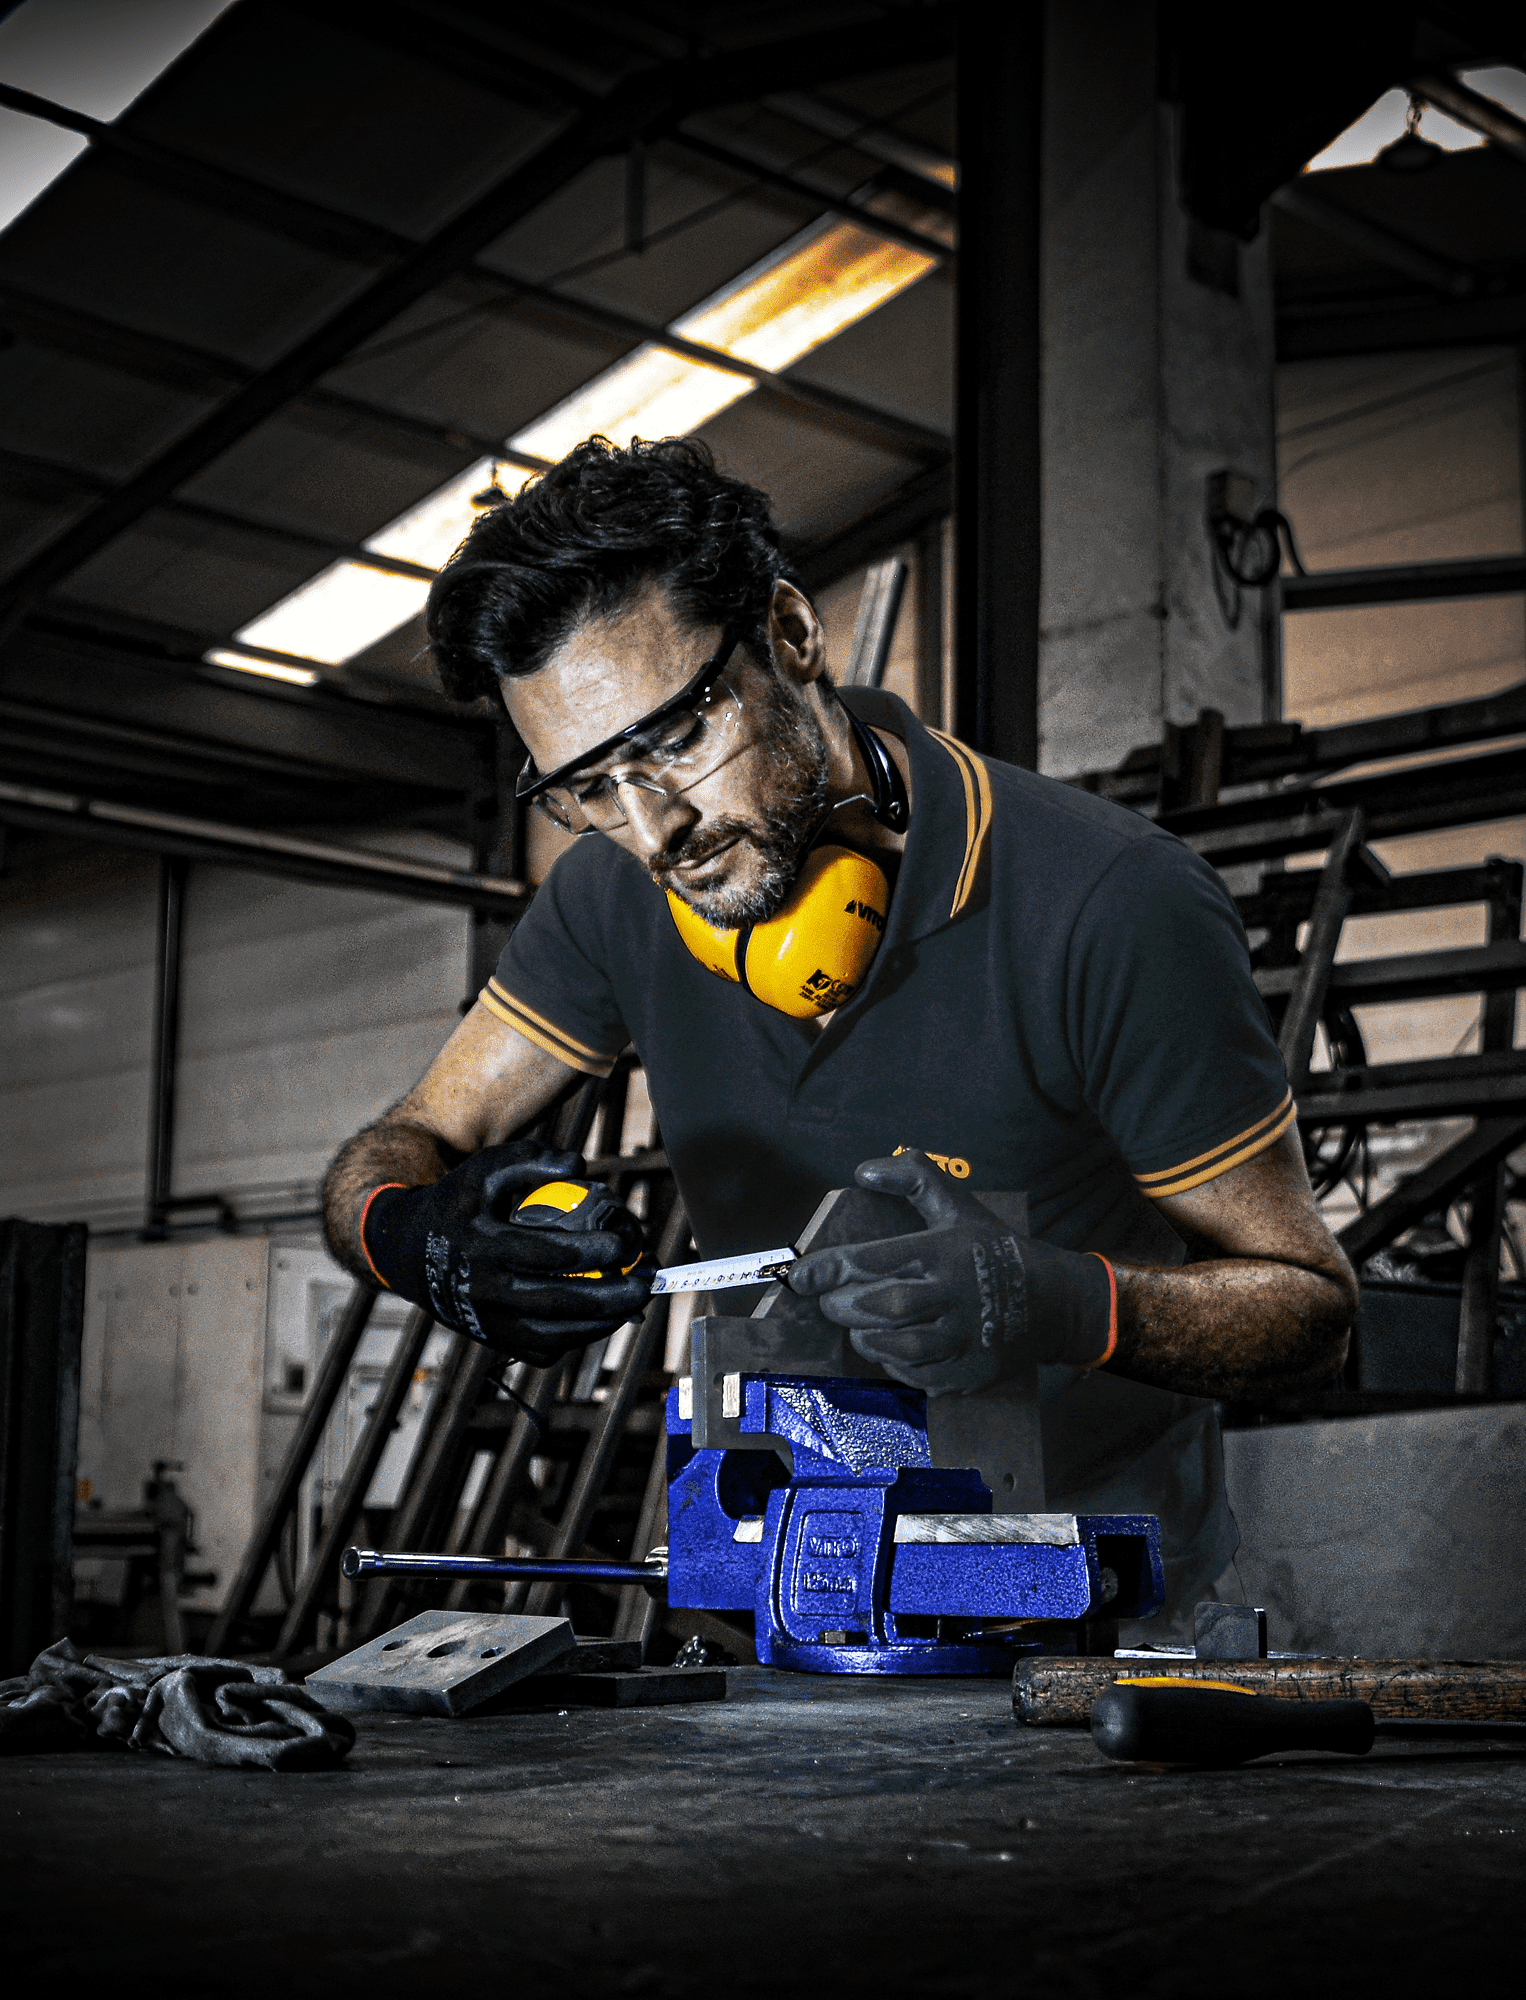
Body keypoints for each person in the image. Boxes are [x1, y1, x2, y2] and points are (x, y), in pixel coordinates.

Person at [323, 437, 1356, 1619]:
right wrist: (426, 1244)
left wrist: (1051, 1301)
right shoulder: (611, 895)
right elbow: (395, 1150)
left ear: (791, 633)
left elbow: (1307, 1313)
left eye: (674, 739)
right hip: (784, 1590)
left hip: (1091, 1611)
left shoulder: (1109, 902)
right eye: (588, 787)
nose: (653, 832)